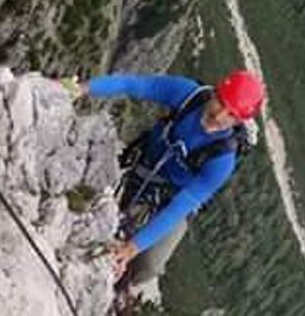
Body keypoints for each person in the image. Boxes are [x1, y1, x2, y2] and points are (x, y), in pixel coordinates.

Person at [62, 69, 266, 286]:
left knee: (149, 265)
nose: (220, 115)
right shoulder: (188, 96)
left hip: (171, 197)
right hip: (141, 165)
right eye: (221, 102)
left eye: (232, 114)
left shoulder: (221, 161)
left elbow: (181, 206)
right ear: (215, 92)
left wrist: (131, 249)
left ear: (239, 121)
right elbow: (135, 85)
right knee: (87, 196)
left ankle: (122, 287)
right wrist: (83, 88)